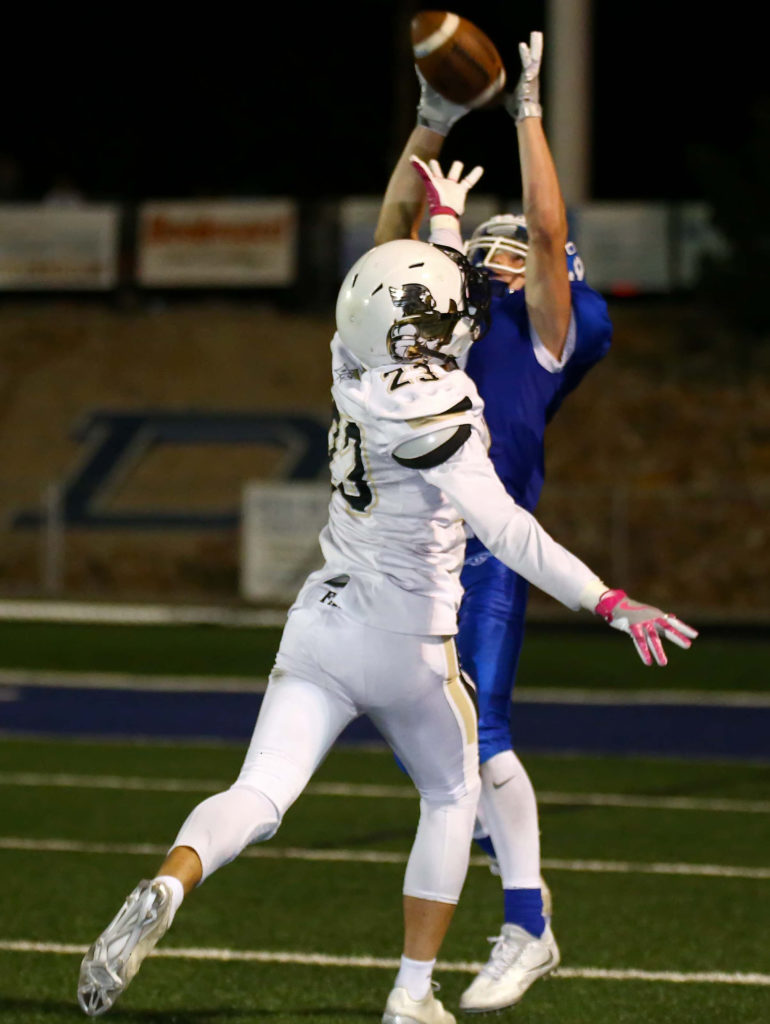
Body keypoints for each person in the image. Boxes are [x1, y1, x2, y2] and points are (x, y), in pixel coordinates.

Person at [77, 240, 695, 1024]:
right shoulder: (442, 405)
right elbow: (506, 529)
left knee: (259, 793)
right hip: (407, 644)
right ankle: (412, 993)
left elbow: (400, 306)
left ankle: (170, 881)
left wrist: (436, 221)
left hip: (321, 623)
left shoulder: (350, 365)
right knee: (451, 792)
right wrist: (608, 600)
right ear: (434, 326)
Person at [375, 31, 620, 1014]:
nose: (490, 254)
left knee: (478, 744)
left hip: (483, 552)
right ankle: (522, 909)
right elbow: (391, 242)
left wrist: (522, 109)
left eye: (507, 248)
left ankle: (526, 920)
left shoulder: (554, 329)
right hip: (398, 553)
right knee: (440, 754)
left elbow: (552, 244)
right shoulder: (460, 316)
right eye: (485, 245)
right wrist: (429, 137)